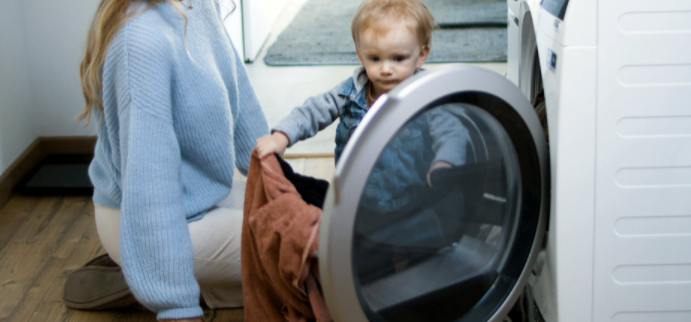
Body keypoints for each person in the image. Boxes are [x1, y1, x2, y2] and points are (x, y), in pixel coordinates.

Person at [72, 0, 268, 321]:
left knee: (313, 216)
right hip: (146, 218)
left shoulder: (196, 4)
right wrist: (176, 305)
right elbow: (151, 190)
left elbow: (238, 89)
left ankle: (187, 278)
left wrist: (273, 175)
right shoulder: (141, 40)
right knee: (316, 245)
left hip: (200, 196)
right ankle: (151, 268)